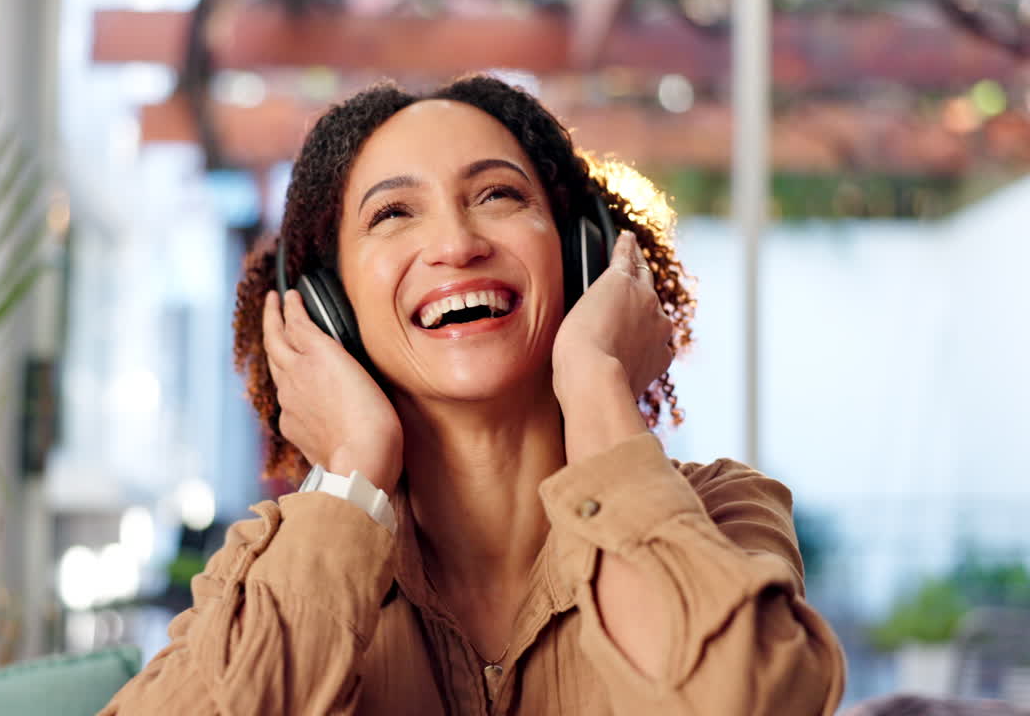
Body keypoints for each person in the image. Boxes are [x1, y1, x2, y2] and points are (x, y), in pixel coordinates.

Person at [100, 75, 846, 715]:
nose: (457, 244)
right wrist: (355, 469)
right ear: (330, 309)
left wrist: (594, 383)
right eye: (393, 213)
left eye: (497, 194)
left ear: (585, 259)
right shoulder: (277, 564)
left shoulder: (725, 515)